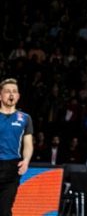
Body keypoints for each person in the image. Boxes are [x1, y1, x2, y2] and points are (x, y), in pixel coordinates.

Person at [0, 79, 32, 216]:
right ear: (0, 95)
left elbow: (28, 143)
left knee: (5, 210)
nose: (11, 94)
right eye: (7, 91)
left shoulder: (25, 118)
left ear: (18, 96)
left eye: (14, 91)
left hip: (12, 167)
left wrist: (26, 160)